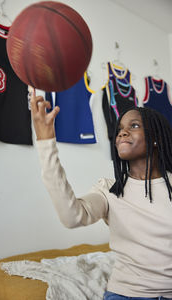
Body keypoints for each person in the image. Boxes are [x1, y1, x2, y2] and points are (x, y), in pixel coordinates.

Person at [30, 88, 172, 300]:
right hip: (127, 294)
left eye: (134, 126)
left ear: (155, 138)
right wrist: (45, 141)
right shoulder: (109, 190)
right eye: (120, 129)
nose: (122, 133)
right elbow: (71, 217)